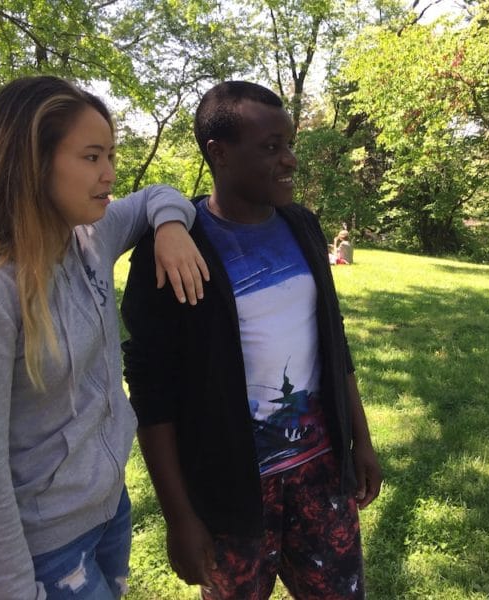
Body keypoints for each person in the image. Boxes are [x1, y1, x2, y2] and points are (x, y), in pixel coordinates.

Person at [121, 81, 382, 599]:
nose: (289, 160)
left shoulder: (302, 226)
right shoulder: (171, 249)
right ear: (219, 153)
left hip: (321, 475)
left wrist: (362, 438)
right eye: (270, 148)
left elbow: (334, 342)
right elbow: (152, 398)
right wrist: (180, 518)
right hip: (230, 493)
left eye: (289, 144)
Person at [0, 75, 208, 599]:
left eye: (111, 155)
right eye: (92, 157)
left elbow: (157, 195)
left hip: (109, 510)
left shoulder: (89, 236)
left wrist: (170, 227)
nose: (110, 174)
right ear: (32, 162)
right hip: (46, 547)